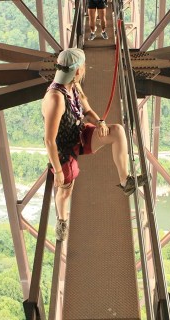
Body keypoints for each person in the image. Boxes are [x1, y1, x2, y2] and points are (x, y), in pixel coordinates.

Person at [42, 48, 144, 241]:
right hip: (63, 147)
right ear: (78, 70)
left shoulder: (74, 86)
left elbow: (87, 110)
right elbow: (49, 140)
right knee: (66, 188)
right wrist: (57, 170)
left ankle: (125, 181)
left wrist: (100, 122)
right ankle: (62, 221)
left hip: (80, 134)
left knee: (117, 132)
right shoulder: (56, 98)